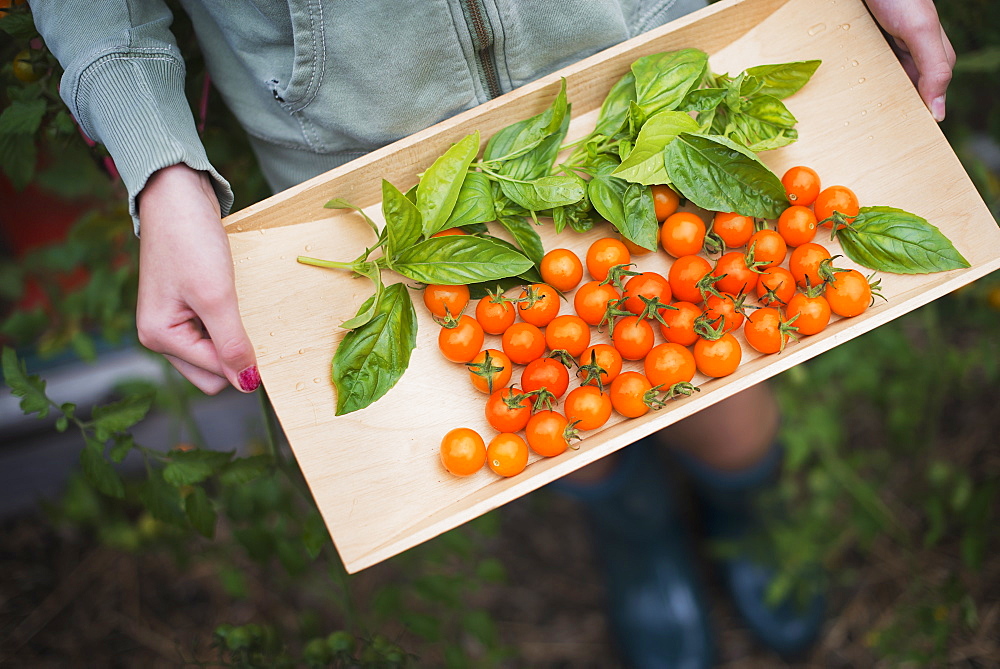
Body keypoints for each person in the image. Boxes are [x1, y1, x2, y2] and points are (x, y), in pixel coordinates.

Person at [30, 1, 955, 666]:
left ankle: (748, 518)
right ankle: (637, 537)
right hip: (369, 145)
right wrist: (156, 161)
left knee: (727, 354)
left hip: (635, 59)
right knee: (564, 429)